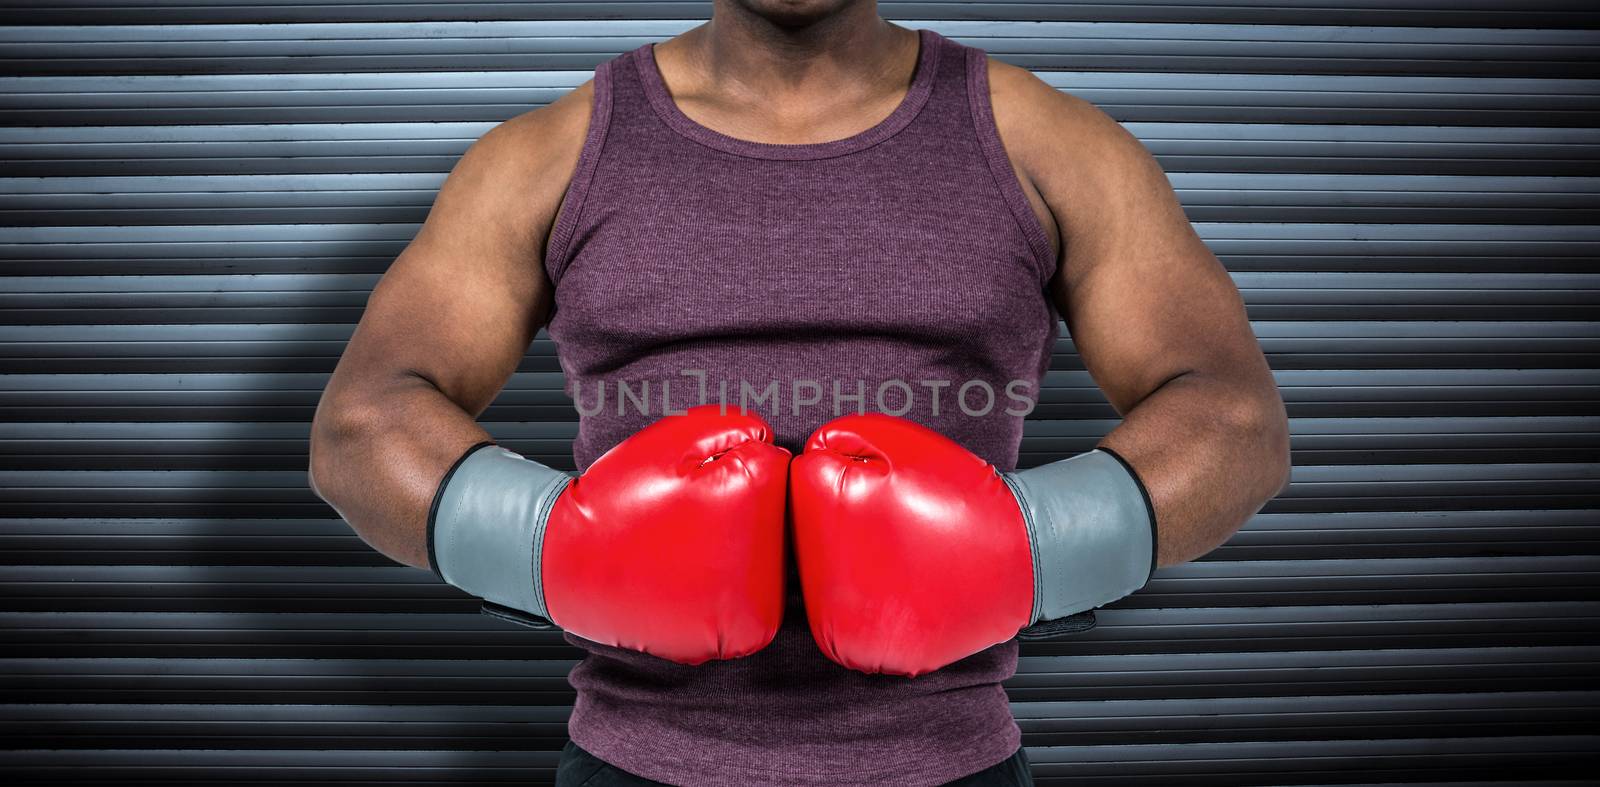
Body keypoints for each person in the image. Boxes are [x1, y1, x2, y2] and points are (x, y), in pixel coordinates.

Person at [308, 2, 1291, 785]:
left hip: (949, 767)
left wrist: (1021, 548)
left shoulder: (1049, 144)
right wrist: (561, 551)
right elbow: (362, 425)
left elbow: (1234, 420)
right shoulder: (544, 156)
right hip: (634, 764)